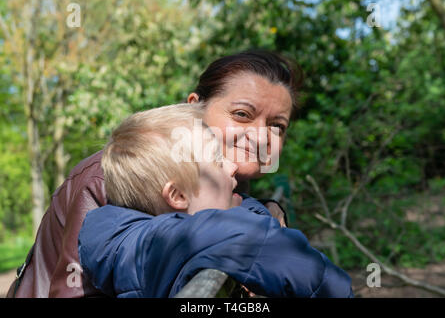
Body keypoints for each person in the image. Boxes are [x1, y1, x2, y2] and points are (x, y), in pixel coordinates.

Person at [8, 50, 301, 298]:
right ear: (195, 108)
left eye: (277, 125)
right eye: (242, 115)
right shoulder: (110, 177)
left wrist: (265, 209)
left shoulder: (229, 175)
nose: (261, 137)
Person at [78, 103, 353, 297]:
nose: (232, 167)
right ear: (177, 196)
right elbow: (248, 237)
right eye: (219, 161)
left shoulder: (123, 234)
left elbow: (236, 216)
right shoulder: (162, 243)